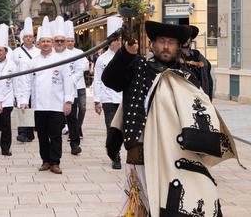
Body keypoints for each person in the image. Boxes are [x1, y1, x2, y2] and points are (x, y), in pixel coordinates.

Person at [102, 21, 239, 216]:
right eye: (162, 41)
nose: (166, 46)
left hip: (174, 155)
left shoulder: (187, 76)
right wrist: (126, 53)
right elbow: (110, 80)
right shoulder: (138, 66)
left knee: (178, 204)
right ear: (153, 44)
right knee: (140, 209)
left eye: (171, 42)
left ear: (178, 46)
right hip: (140, 155)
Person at [20, 16, 75, 174]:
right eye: (42, 41)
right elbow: (27, 83)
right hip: (39, 106)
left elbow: (68, 82)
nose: (45, 44)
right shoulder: (34, 62)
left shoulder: (60, 60)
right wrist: (24, 100)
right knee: (42, 136)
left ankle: (55, 162)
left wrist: (68, 101)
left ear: (52, 42)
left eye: (48, 41)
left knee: (56, 135)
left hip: (57, 105)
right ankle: (45, 160)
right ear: (39, 43)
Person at [93, 16, 124, 170]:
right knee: (111, 129)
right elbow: (97, 80)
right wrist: (97, 100)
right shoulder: (102, 59)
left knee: (126, 129)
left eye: (118, 40)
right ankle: (115, 156)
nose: (116, 43)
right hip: (108, 100)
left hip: (124, 100)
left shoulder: (128, 58)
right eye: (113, 40)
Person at [52, 16, 82, 155]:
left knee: (72, 119)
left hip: (71, 92)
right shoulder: (50, 56)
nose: (59, 43)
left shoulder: (73, 55)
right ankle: (55, 147)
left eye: (61, 41)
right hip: (53, 94)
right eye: (57, 40)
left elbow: (78, 71)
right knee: (55, 121)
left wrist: (68, 81)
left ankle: (75, 144)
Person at [12, 17, 40, 143]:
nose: (28, 39)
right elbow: (12, 69)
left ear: (33, 38)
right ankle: (22, 133)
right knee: (22, 107)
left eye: (30, 37)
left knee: (31, 107)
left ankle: (29, 133)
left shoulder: (38, 52)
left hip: (35, 84)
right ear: (22, 38)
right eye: (26, 37)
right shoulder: (16, 52)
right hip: (20, 83)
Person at [0, 24, 18, 156]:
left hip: (7, 99)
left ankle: (5, 147)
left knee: (6, 126)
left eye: (0, 50)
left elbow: (16, 83)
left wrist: (19, 99)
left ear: (6, 51)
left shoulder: (12, 65)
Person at [65, 20, 89, 139]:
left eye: (71, 41)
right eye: (68, 40)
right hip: (69, 87)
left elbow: (86, 66)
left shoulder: (79, 52)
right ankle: (74, 130)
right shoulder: (62, 54)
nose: (70, 43)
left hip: (80, 85)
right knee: (72, 111)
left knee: (83, 108)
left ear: (74, 41)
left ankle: (77, 127)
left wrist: (77, 72)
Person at [180, 25, 214, 100]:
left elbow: (206, 68)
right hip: (183, 94)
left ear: (191, 39)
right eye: (183, 37)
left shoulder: (196, 54)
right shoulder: (176, 55)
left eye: (187, 37)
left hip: (199, 92)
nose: (185, 40)